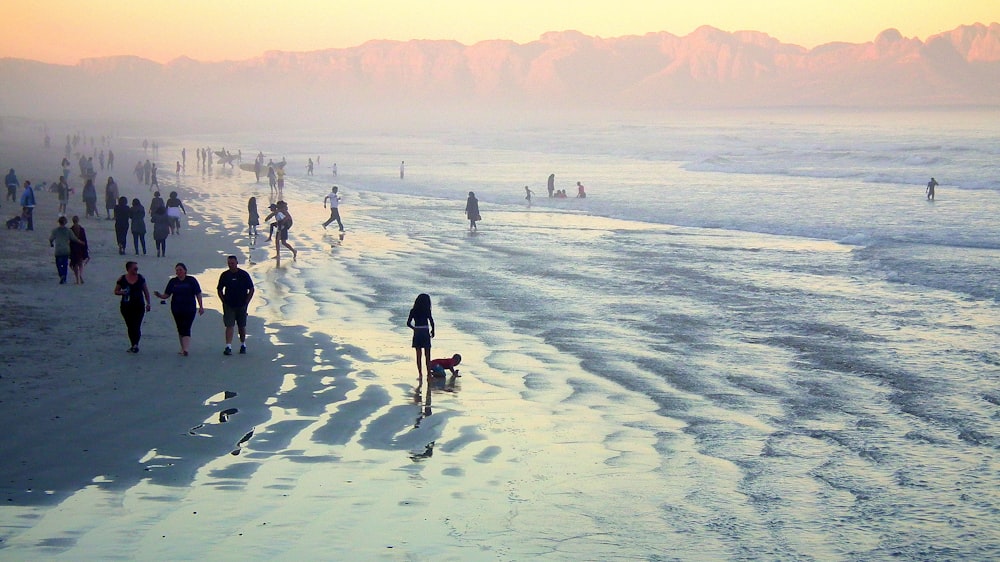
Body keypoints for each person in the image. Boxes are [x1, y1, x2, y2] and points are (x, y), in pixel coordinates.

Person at [154, 263, 204, 356]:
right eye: (177, 270)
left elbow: (198, 293)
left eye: (180, 270)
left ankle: (186, 349)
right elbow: (167, 294)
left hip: (190, 308)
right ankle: (183, 348)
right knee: (180, 327)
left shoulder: (191, 280)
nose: (178, 272)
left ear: (185, 270)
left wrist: (201, 306)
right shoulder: (173, 281)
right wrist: (160, 295)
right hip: (176, 308)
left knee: (186, 327)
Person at [217, 255, 255, 355]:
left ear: (237, 263)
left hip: (242, 304)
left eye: (232, 263)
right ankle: (228, 346)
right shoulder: (225, 275)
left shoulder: (243, 275)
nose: (230, 265)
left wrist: (247, 302)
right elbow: (219, 289)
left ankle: (243, 344)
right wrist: (223, 301)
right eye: (229, 263)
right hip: (229, 304)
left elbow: (251, 289)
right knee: (229, 325)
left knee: (241, 326)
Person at [114, 261, 151, 353]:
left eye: (137, 268)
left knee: (137, 325)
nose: (136, 269)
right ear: (129, 269)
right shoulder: (122, 279)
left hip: (139, 306)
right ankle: (133, 344)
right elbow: (116, 291)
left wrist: (148, 303)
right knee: (130, 326)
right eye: (135, 268)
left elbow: (146, 291)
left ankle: (135, 345)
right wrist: (123, 292)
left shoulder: (140, 278)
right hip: (126, 306)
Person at [406, 293, 435, 381]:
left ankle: (420, 374)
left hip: (417, 332)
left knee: (418, 355)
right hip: (425, 332)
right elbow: (431, 321)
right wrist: (433, 330)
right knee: (427, 355)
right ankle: (429, 374)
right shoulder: (427, 310)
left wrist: (414, 328)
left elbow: (408, 323)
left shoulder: (413, 310)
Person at [48, 216, 82, 284]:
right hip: (66, 249)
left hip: (58, 250)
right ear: (65, 222)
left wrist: (51, 244)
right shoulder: (68, 231)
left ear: (59, 222)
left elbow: (51, 239)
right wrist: (81, 242)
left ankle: (61, 275)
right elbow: (74, 239)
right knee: (65, 264)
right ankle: (64, 278)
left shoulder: (55, 230)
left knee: (58, 264)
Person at [68, 215, 89, 284]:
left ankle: (77, 279)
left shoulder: (71, 229)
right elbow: (84, 240)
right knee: (80, 263)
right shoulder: (82, 229)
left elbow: (69, 240)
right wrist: (86, 249)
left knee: (74, 264)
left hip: (73, 248)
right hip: (81, 247)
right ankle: (80, 275)